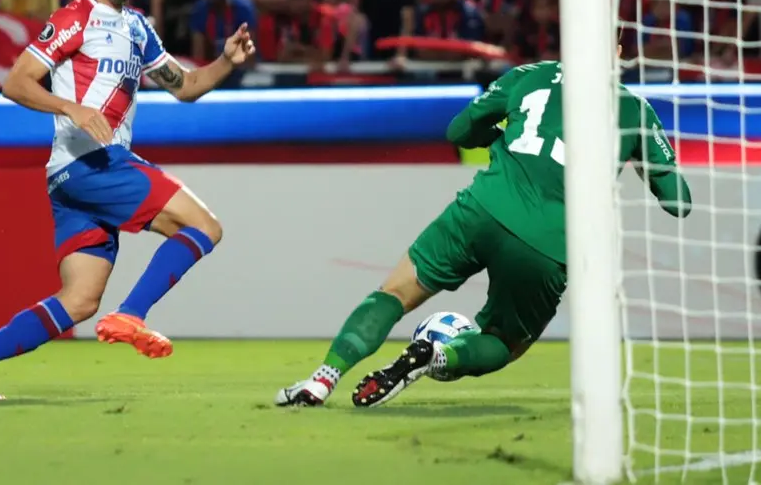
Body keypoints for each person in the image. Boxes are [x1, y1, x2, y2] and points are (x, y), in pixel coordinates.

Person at [0, 0, 255, 400]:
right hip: (92, 163)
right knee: (204, 226)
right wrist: (73, 108)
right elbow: (16, 83)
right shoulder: (73, 19)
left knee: (79, 301)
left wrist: (225, 61)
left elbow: (185, 87)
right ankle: (132, 315)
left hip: (73, 180)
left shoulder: (139, 29)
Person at [275, 58, 692, 408]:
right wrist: (642, 163)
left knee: (393, 293)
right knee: (504, 343)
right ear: (617, 49)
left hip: (481, 208)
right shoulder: (636, 111)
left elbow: (458, 132)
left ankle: (320, 381)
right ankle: (436, 356)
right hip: (547, 243)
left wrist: (504, 134)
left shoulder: (530, 74)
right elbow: (679, 203)